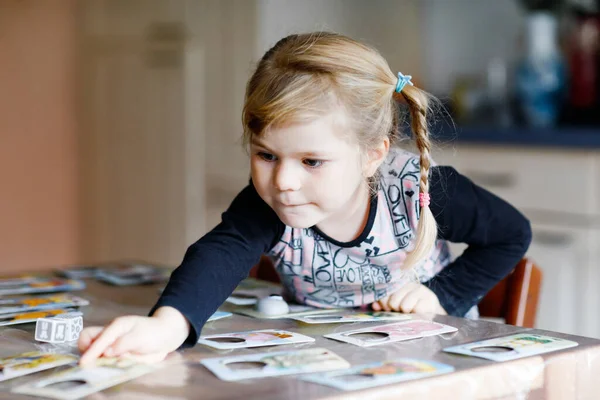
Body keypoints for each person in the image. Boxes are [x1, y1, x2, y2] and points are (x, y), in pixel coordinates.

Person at [78, 32, 531, 365]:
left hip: (431, 360)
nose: (284, 182)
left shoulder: (419, 189)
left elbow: (513, 233)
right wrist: (166, 326)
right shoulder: (267, 204)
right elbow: (218, 255)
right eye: (266, 155)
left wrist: (441, 296)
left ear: (372, 156)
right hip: (324, 358)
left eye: (311, 161)